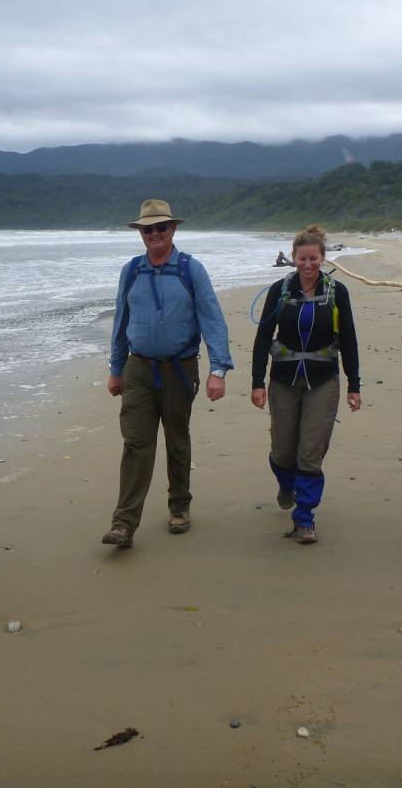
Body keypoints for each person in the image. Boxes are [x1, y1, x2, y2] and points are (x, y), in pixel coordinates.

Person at [102, 199, 234, 548]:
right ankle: (124, 523)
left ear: (173, 229)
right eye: (149, 229)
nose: (155, 234)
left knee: (177, 439)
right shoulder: (131, 271)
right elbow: (120, 322)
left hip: (179, 369)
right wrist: (116, 370)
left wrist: (218, 369)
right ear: (141, 234)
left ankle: (179, 506)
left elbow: (212, 319)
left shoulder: (191, 269)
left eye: (162, 227)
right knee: (136, 444)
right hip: (138, 369)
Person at [251, 225, 361, 544]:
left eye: (314, 258)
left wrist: (355, 385)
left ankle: (304, 518)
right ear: (294, 259)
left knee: (311, 452)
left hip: (324, 380)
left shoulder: (337, 292)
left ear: (323, 258)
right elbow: (262, 339)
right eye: (302, 259)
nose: (308, 264)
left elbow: (349, 340)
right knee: (284, 452)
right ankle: (287, 484)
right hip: (284, 379)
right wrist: (257, 382)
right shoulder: (279, 290)